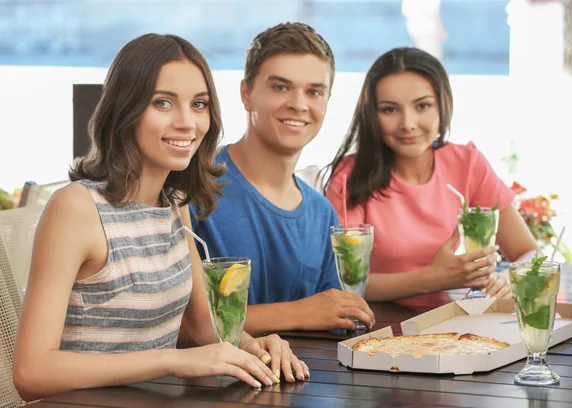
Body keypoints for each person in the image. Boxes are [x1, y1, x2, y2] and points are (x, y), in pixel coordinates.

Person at [13, 33, 307, 402]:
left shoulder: (173, 203)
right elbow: (31, 373)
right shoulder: (76, 208)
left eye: (199, 104)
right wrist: (174, 361)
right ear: (126, 109)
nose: (188, 123)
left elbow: (203, 325)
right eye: (163, 102)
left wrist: (254, 347)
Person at [190, 23, 375, 335]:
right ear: (246, 94)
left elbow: (335, 319)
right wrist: (300, 312)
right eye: (280, 87)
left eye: (314, 92)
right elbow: (176, 325)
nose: (299, 104)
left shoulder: (321, 213)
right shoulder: (193, 187)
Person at [324, 47, 538, 306]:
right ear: (373, 115)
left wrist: (508, 279)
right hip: (372, 328)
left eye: (422, 106)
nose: (408, 124)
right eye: (390, 110)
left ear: (442, 105)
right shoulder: (349, 178)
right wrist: (433, 278)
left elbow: (529, 251)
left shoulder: (467, 163)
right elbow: (342, 283)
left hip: (445, 328)